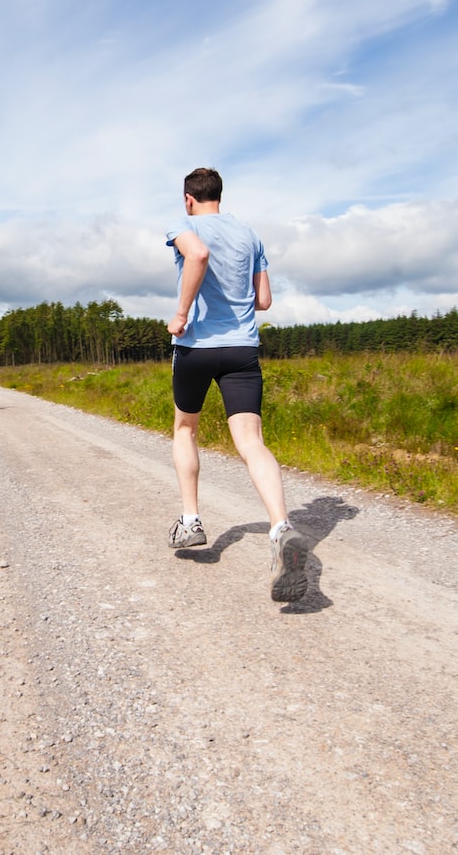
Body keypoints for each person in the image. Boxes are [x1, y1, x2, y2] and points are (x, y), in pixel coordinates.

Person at [164, 167, 308, 602]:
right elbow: (263, 300)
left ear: (188, 199)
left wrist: (182, 314)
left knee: (185, 428)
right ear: (218, 196)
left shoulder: (183, 226)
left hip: (196, 348)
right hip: (243, 349)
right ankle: (281, 526)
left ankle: (191, 521)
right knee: (251, 441)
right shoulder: (249, 235)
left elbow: (198, 255)